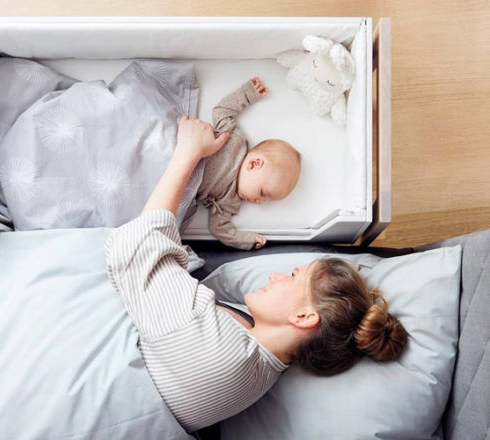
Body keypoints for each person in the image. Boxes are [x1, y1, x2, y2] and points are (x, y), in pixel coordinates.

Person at [104, 115, 408, 433]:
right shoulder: (260, 372)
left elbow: (134, 248)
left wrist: (188, 152)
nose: (274, 277)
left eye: (292, 276)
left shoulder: (224, 351)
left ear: (304, 317)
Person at [194, 77, 302, 250]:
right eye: (262, 193)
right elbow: (221, 111)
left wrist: (246, 240)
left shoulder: (230, 201)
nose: (259, 201)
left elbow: (219, 228)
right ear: (254, 164)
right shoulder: (234, 142)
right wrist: (247, 93)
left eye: (265, 200)